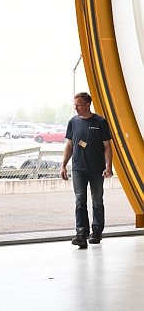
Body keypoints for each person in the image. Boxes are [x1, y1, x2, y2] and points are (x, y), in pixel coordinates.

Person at [60, 92, 113, 249]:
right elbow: (70, 145)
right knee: (79, 200)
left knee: (97, 200)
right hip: (78, 169)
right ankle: (81, 234)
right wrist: (63, 165)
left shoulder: (100, 122)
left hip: (97, 169)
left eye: (78, 105)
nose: (76, 108)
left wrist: (108, 166)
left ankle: (96, 231)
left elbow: (108, 146)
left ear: (88, 105)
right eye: (74, 105)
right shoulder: (73, 122)